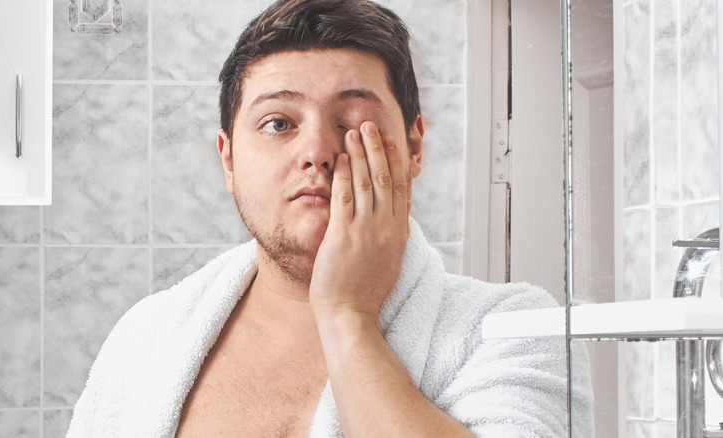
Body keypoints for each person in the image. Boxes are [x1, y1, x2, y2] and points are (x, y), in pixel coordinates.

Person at [67, 0, 593, 436]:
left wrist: (348, 315)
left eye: (352, 122)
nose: (318, 150)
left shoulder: (511, 332)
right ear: (228, 159)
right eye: (278, 123)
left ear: (412, 147)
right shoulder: (147, 337)